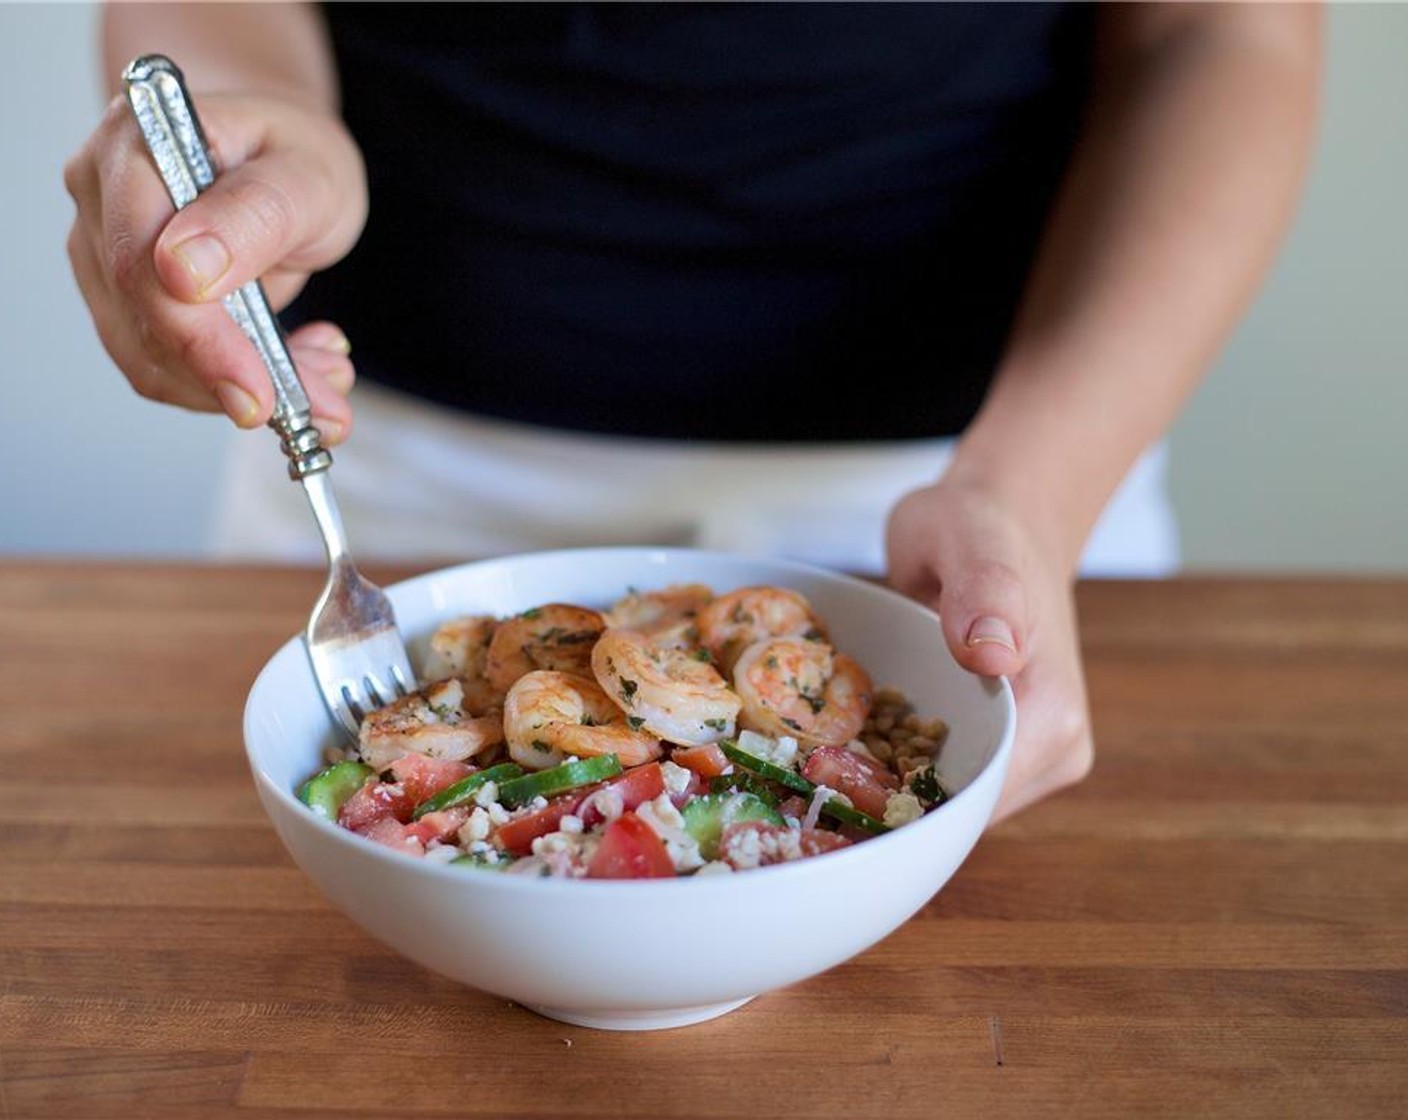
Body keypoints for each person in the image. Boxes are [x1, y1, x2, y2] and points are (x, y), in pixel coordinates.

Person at [64, 2, 1323, 824]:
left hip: (996, 474)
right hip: (389, 471)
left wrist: (1029, 495)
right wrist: (260, 127)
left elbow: (1224, 29)